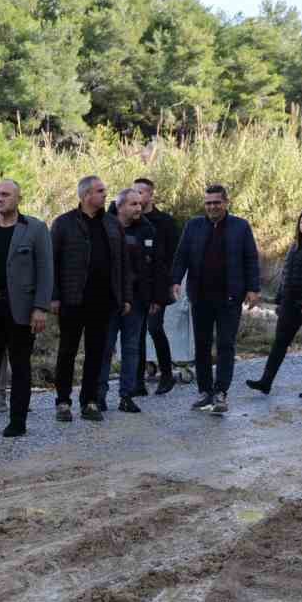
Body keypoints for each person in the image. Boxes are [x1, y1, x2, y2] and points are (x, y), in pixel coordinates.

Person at [171, 183, 261, 415]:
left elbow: (250, 258)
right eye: (208, 203)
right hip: (200, 296)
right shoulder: (193, 226)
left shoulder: (240, 227)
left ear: (226, 203)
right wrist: (175, 281)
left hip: (230, 297)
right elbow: (181, 256)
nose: (212, 206)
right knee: (201, 346)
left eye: (216, 202)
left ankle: (221, 392)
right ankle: (204, 392)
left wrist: (253, 288)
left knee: (225, 345)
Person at [0, 179, 52, 436]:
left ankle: (17, 421)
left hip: (21, 309)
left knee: (20, 365)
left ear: (18, 198)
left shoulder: (35, 229)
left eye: (5, 194)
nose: (0, 198)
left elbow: (45, 270)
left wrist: (40, 307)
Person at [51, 175, 129, 422]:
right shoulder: (64, 224)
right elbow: (51, 263)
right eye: (100, 191)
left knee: (97, 352)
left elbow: (122, 263)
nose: (106, 195)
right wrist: (53, 297)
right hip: (73, 299)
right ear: (86, 196)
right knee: (67, 351)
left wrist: (124, 296)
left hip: (103, 299)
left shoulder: (112, 224)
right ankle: (63, 401)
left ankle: (90, 401)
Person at [245, 209, 302, 399]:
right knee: (280, 343)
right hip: (290, 303)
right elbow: (286, 275)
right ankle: (265, 382)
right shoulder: (295, 246)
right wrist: (280, 300)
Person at [96, 188, 150, 413]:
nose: (139, 208)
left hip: (136, 300)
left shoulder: (146, 230)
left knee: (131, 348)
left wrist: (155, 297)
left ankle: (127, 395)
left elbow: (154, 266)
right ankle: (98, 396)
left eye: (140, 204)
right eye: (133, 204)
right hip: (108, 299)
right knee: (104, 348)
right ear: (120, 207)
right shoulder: (103, 226)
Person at [133, 178, 179, 394]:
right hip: (136, 287)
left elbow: (173, 256)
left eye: (141, 192)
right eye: (134, 192)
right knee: (138, 332)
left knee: (154, 328)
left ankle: (167, 374)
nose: (137, 196)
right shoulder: (129, 219)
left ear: (151, 195)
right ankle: (137, 381)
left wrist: (169, 286)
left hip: (158, 286)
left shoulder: (164, 222)